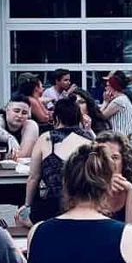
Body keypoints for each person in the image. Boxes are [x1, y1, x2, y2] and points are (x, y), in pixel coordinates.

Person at [25, 95, 93, 223]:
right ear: (79, 117)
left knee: (22, 217)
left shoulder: (46, 138)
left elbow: (33, 177)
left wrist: (27, 205)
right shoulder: (90, 140)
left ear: (56, 118)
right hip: (85, 205)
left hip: (53, 207)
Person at [96, 132, 132, 232]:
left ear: (124, 160)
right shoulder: (88, 185)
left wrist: (130, 192)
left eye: (114, 157)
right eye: (103, 157)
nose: (109, 162)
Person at [94, 70, 132, 142]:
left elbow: (100, 117)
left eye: (107, 86)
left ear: (113, 87)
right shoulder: (121, 98)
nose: (105, 88)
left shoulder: (119, 101)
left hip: (126, 140)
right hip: (122, 139)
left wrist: (105, 102)